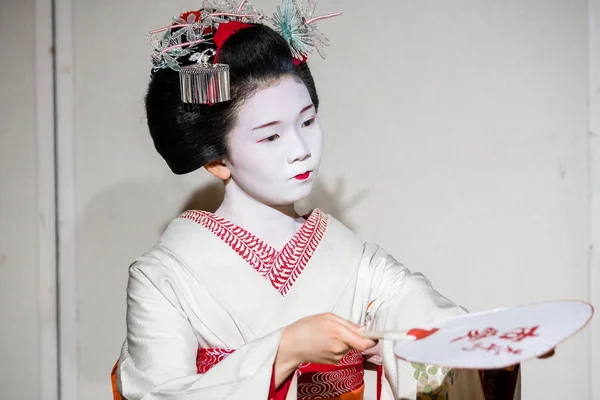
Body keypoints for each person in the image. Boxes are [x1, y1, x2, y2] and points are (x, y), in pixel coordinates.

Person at [113, 1, 522, 399]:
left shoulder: (354, 259)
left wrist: (489, 352)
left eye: (307, 121)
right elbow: (158, 393)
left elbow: (427, 319)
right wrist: (285, 350)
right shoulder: (164, 277)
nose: (301, 148)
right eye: (271, 135)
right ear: (217, 159)